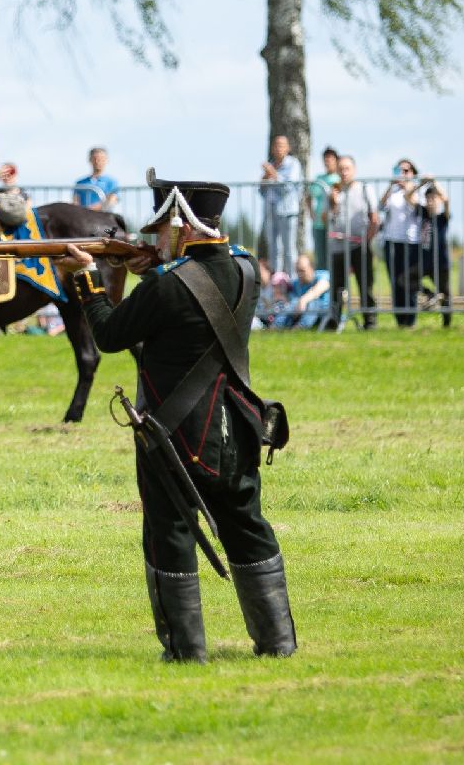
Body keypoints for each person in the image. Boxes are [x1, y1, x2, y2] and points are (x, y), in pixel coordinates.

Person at [59, 176, 296, 663]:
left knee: (168, 533)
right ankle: (277, 642)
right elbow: (197, 285)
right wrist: (145, 266)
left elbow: (108, 333)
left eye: (162, 228)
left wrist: (86, 277)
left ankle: (187, 652)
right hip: (237, 424)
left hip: (177, 434)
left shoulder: (168, 285)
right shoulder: (246, 270)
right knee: (246, 524)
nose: (155, 237)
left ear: (181, 224)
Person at [325, 155, 378, 329]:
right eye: (340, 169)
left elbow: (374, 218)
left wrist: (366, 240)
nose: (344, 172)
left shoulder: (364, 189)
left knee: (365, 285)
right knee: (337, 287)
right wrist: (332, 204)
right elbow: (324, 219)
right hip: (338, 247)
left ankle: (370, 321)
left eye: (347, 168)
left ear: (354, 170)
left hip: (359, 246)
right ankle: (334, 321)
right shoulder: (333, 192)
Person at [378, 159, 424, 327]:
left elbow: (419, 209)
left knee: (409, 281)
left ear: (413, 173)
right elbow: (380, 206)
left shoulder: (419, 192)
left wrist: (409, 190)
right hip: (392, 241)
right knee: (394, 281)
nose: (403, 174)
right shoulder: (393, 193)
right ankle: (400, 319)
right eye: (400, 170)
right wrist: (391, 186)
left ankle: (410, 318)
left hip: (412, 242)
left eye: (406, 170)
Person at [259, 135, 302, 275]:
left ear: (288, 148)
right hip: (271, 212)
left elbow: (289, 187)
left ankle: (292, 280)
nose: (278, 148)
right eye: (276, 145)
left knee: (289, 249)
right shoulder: (271, 164)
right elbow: (262, 191)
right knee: (274, 249)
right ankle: (276, 282)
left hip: (287, 211)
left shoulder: (293, 164)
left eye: (282, 145)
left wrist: (272, 173)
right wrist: (264, 178)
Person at [414, 175, 452, 325]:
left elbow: (447, 200)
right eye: (428, 199)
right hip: (425, 261)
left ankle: (447, 323)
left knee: (446, 294)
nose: (430, 202)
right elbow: (408, 197)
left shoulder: (443, 217)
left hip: (441, 262)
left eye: (433, 199)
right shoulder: (423, 214)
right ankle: (431, 294)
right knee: (406, 279)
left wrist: (434, 182)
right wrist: (420, 185)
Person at [274, 254, 331, 330]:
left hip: (324, 312)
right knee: (293, 302)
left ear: (311, 268)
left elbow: (322, 287)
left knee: (313, 302)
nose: (299, 274)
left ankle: (300, 327)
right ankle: (276, 326)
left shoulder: (323, 275)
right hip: (302, 314)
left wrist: (303, 300)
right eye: (297, 271)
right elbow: (291, 300)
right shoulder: (296, 283)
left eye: (302, 271)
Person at [308, 146, 340, 263]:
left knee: (334, 257)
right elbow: (309, 195)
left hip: (335, 224)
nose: (328, 162)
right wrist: (311, 213)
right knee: (320, 257)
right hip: (318, 223)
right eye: (325, 160)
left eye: (330, 159)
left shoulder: (340, 178)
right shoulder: (319, 179)